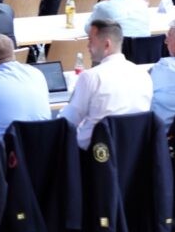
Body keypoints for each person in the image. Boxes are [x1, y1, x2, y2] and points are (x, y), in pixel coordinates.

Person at [59, 19, 152, 148]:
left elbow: (68, 121)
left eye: (91, 40)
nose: (87, 46)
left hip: (93, 155)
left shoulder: (90, 77)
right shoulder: (144, 75)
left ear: (107, 45)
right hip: (135, 153)